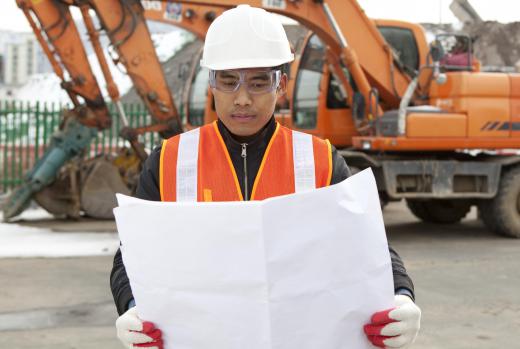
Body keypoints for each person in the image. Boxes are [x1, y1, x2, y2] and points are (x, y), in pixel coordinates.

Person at [111, 5, 420, 349]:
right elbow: (132, 255)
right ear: (211, 83)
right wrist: (132, 307)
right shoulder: (169, 161)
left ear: (282, 85)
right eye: (228, 82)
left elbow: (367, 249)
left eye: (259, 82)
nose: (242, 99)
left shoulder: (320, 161)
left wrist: (401, 294)